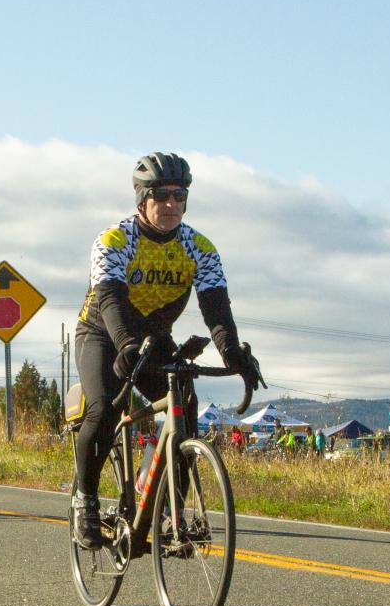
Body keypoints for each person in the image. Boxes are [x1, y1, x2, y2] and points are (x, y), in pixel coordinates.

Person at [70, 152, 262, 548]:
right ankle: (84, 502)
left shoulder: (200, 248)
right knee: (104, 406)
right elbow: (109, 299)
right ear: (142, 200)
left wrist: (232, 353)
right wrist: (124, 343)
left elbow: (216, 307)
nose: (172, 204)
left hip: (154, 338)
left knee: (184, 409)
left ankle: (165, 504)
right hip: (104, 333)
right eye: (161, 196)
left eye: (179, 195)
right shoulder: (115, 240)